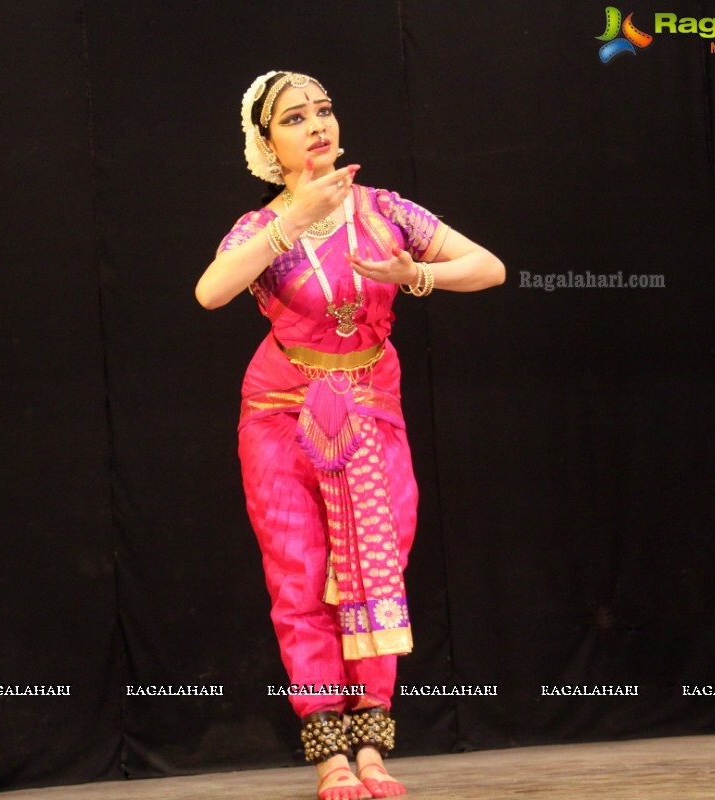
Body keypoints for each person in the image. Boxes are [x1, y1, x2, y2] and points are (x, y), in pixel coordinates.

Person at [195, 70, 505, 800]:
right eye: (295, 118)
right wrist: (293, 220)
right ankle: (329, 749)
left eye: (324, 110)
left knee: (376, 567)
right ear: (268, 144)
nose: (316, 125)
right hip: (281, 409)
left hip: (370, 405)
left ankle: (372, 746)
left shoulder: (385, 210)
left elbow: (488, 268)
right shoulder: (262, 227)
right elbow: (211, 291)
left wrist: (417, 277)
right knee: (300, 574)